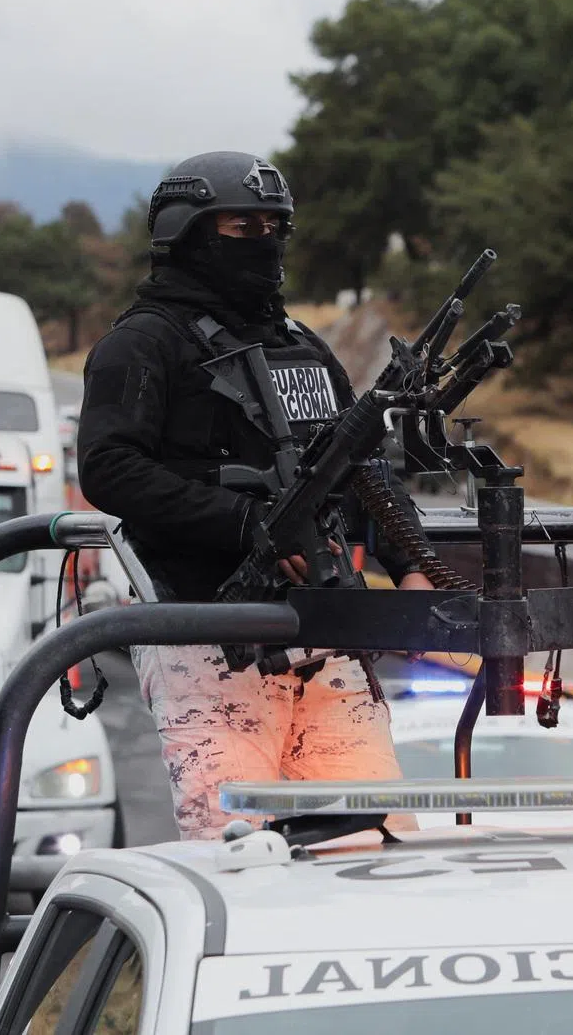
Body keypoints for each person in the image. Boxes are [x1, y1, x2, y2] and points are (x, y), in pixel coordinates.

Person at [77, 150, 435, 840]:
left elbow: (364, 467)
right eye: (242, 225)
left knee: (375, 846)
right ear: (187, 232)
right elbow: (110, 469)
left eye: (276, 225)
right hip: (205, 638)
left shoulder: (302, 346)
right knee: (239, 854)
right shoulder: (142, 346)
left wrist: (410, 560)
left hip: (327, 635)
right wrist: (249, 525)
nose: (264, 242)